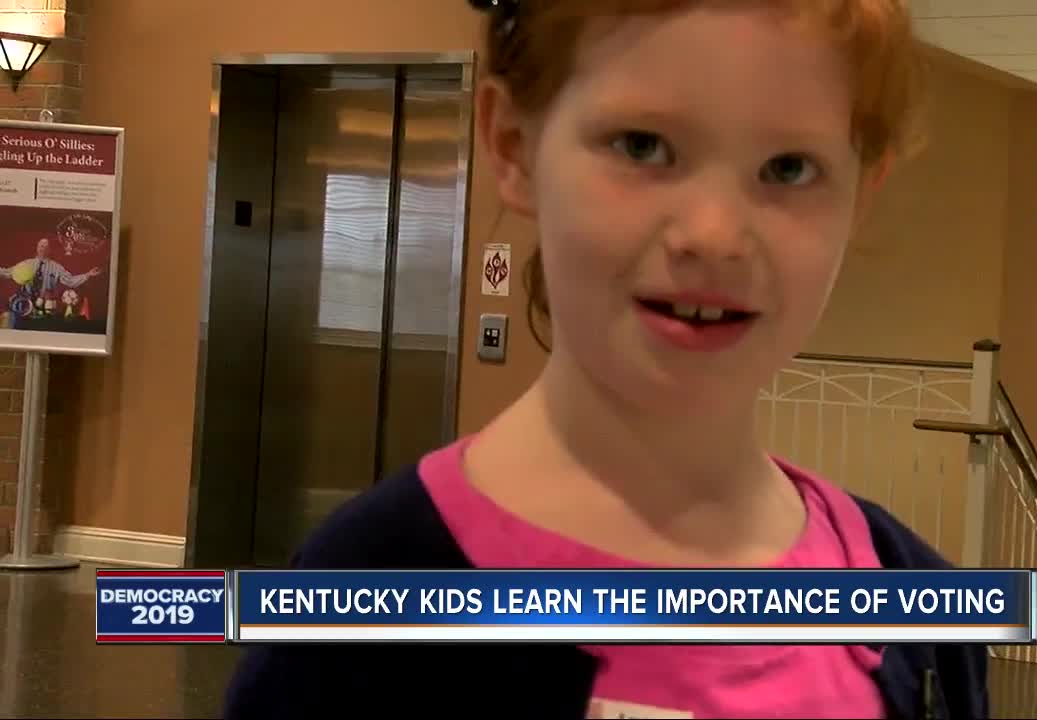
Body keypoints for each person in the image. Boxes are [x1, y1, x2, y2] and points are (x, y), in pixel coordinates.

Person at [224, 1, 988, 717]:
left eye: (788, 168)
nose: (715, 234)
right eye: (643, 147)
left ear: (862, 192)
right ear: (513, 145)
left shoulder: (915, 607)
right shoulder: (366, 603)